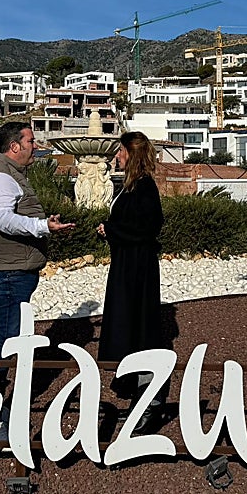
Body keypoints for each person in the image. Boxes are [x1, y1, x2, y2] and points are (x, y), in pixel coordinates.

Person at [0, 121, 74, 442]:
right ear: (14, 146)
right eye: (30, 140)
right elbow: (3, 219)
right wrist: (42, 225)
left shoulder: (10, 175)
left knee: (7, 339)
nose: (35, 145)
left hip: (14, 270)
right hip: (7, 272)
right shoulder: (1, 176)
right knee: (4, 341)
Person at [97, 131, 166, 429]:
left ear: (130, 153)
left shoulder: (144, 188)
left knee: (140, 328)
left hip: (137, 270)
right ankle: (141, 400)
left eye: (120, 152)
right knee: (132, 326)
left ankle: (150, 403)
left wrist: (111, 230)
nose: (116, 157)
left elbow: (147, 228)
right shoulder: (132, 186)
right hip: (128, 267)